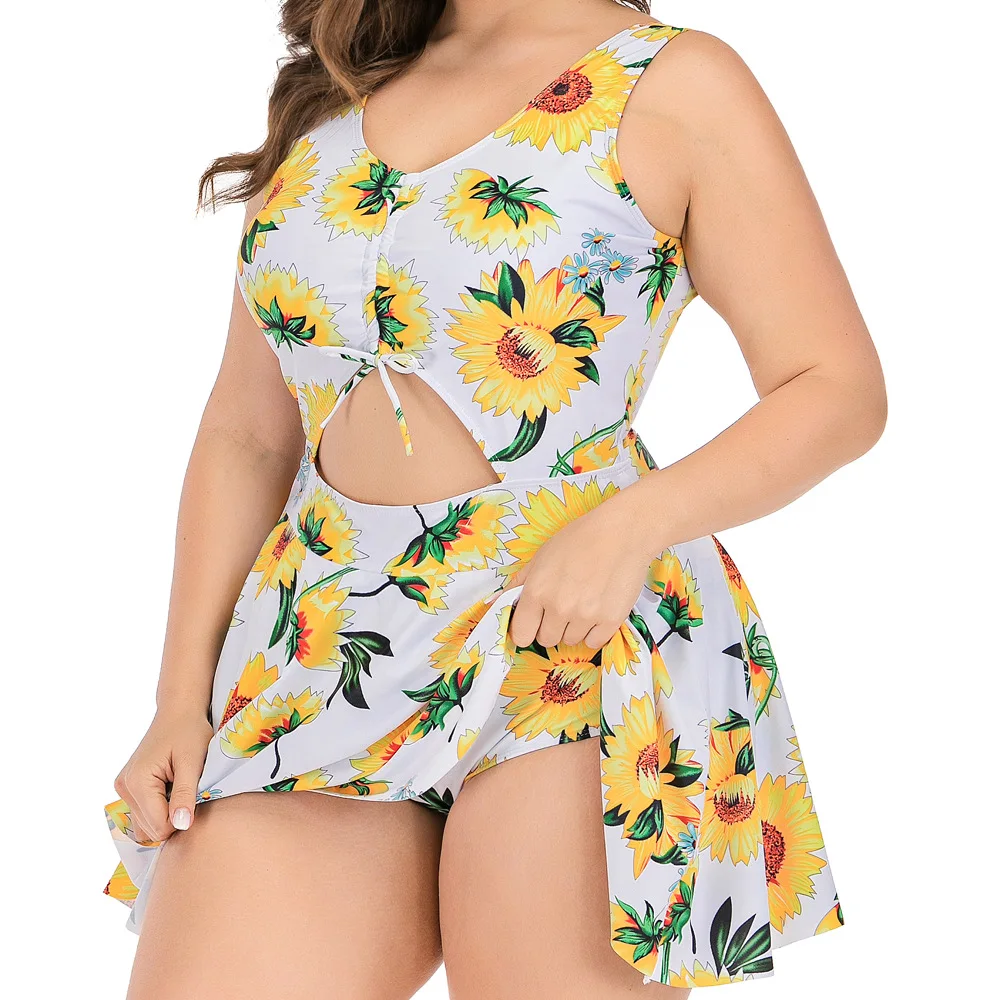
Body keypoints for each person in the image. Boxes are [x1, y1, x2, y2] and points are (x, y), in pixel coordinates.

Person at [103, 1, 885, 996]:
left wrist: (629, 529)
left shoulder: (671, 80)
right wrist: (180, 698)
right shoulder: (345, 73)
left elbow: (835, 386)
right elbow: (248, 433)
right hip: (320, 642)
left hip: (569, 632)